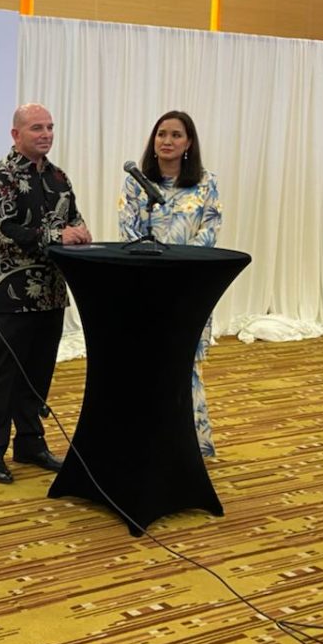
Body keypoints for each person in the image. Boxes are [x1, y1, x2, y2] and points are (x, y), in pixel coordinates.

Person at [0, 103, 91, 483]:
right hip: (8, 295)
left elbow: (73, 218)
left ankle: (30, 443)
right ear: (16, 134)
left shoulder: (59, 177)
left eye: (50, 127)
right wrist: (58, 236)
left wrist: (81, 232)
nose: (46, 134)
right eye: (37, 128)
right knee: (3, 377)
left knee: (38, 375)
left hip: (51, 294)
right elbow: (0, 231)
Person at [118, 110, 222, 456]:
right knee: (145, 364)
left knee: (184, 365)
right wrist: (154, 268)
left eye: (176, 135)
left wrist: (180, 267)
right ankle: (144, 442)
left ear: (188, 143)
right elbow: (128, 230)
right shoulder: (136, 182)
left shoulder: (206, 182)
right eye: (161, 134)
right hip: (146, 286)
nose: (167, 141)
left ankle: (188, 446)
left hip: (190, 287)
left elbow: (210, 230)